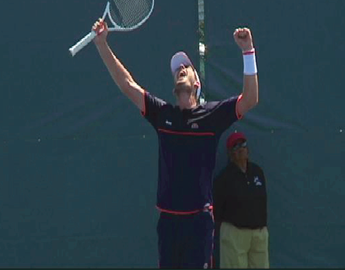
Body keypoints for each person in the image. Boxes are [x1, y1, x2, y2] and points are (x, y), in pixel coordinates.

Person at [91, 17, 260, 268]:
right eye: (177, 70)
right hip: (168, 223)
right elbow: (127, 85)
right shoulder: (163, 115)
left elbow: (250, 99)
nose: (180, 70)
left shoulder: (212, 117)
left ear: (196, 83)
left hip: (199, 223)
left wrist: (248, 52)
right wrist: (102, 44)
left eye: (186, 68)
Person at [213, 132, 269, 268]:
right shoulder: (224, 178)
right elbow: (217, 210)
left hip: (258, 234)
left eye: (243, 144)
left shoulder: (257, 172)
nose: (240, 149)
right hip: (235, 234)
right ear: (230, 154)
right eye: (235, 147)